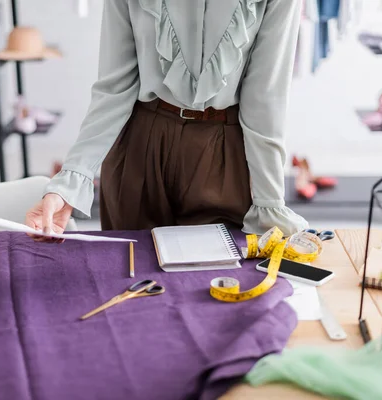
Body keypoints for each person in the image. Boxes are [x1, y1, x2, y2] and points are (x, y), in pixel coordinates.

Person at [25, 0, 309, 237]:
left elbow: (265, 99)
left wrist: (269, 203)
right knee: (130, 284)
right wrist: (70, 182)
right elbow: (114, 89)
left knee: (218, 286)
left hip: (225, 152)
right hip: (140, 146)